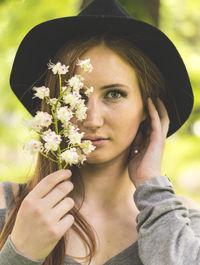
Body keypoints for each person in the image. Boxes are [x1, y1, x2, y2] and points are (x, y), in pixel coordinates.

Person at [0, 0, 200, 265]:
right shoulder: (7, 206)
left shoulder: (182, 220)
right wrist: (19, 252)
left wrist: (152, 186)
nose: (92, 120)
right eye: (75, 95)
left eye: (114, 94)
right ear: (53, 104)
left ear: (147, 107)